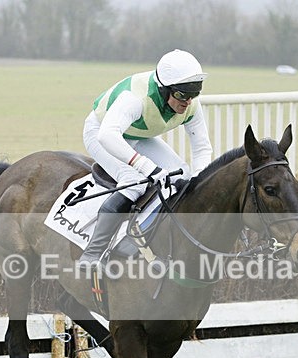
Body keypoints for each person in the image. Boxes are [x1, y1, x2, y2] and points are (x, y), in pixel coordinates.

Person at [77, 49, 213, 269]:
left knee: (184, 175)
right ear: (163, 89)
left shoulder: (191, 105)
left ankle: (149, 242)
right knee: (132, 181)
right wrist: (146, 166)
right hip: (101, 132)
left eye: (194, 92)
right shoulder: (135, 98)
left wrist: (199, 182)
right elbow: (107, 135)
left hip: (137, 135)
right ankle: (93, 253)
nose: (187, 101)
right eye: (181, 94)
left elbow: (202, 148)